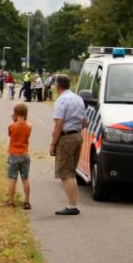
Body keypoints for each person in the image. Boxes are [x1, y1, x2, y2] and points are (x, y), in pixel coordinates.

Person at [49, 74, 88, 215]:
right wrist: (76, 129)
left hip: (66, 138)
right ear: (69, 85)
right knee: (71, 172)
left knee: (65, 173)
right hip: (77, 135)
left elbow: (59, 124)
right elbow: (85, 121)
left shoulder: (61, 100)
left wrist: (53, 144)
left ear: (57, 85)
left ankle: (72, 206)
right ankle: (74, 203)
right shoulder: (78, 99)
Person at [7, 102, 32, 209]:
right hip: (25, 154)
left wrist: (14, 121)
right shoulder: (29, 126)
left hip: (14, 154)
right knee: (25, 179)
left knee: (13, 178)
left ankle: (11, 201)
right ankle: (26, 201)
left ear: (15, 113)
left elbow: (10, 134)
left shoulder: (11, 126)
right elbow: (27, 134)